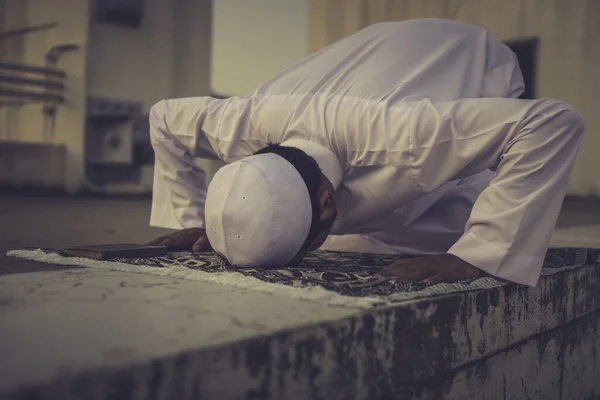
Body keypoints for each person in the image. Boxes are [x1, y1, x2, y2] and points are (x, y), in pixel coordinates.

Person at [147, 19, 584, 286]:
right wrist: (192, 218)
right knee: (369, 245)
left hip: (464, 55)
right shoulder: (237, 126)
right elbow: (163, 118)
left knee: (439, 234)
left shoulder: (409, 138)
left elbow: (551, 123)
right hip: (373, 60)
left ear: (327, 202)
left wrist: (481, 255)